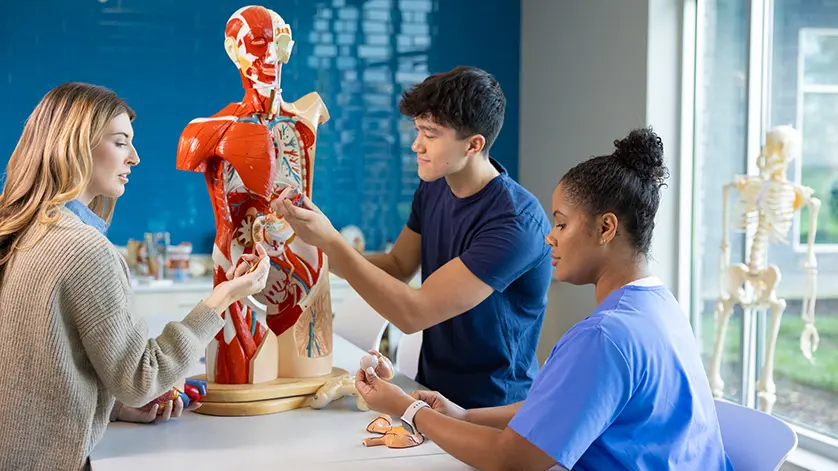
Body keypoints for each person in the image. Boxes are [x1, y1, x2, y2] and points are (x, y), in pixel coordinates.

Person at [352, 128, 734, 470]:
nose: (550, 237)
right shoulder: (660, 306)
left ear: (606, 228)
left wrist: (407, 408)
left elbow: (510, 458)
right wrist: (464, 417)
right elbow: (566, 405)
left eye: (562, 223)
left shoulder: (605, 337)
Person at [0, 82, 270, 471]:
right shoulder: (84, 250)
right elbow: (141, 378)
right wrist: (222, 298)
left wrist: (110, 407)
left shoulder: (20, 230)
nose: (136, 158)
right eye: (121, 142)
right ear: (75, 144)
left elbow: (34, 372)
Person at [274, 66, 553, 409]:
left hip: (490, 407)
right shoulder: (435, 185)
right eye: (417, 129)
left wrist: (330, 241)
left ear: (473, 144)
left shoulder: (516, 222)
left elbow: (414, 314)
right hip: (429, 391)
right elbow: (398, 264)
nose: (415, 144)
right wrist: (309, 249)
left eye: (430, 134)